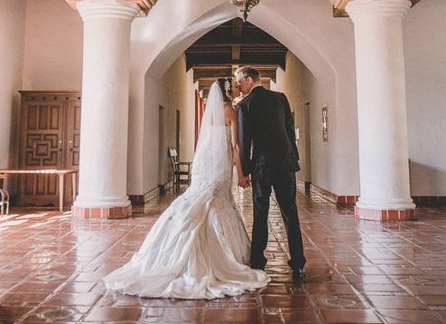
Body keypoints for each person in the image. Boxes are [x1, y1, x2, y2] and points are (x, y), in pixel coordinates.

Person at [103, 78, 269, 299]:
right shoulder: (230, 110)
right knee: (217, 202)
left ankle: (175, 246)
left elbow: (209, 142)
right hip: (220, 165)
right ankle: (219, 256)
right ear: (229, 92)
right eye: (236, 86)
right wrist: (241, 174)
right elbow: (236, 146)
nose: (239, 87)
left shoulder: (211, 113)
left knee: (201, 199)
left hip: (206, 163)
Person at [235, 66, 306, 283]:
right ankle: (299, 266)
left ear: (249, 80)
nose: (237, 84)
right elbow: (288, 127)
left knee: (261, 213)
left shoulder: (244, 105)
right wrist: (294, 158)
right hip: (285, 163)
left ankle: (258, 262)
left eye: (239, 81)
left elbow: (245, 141)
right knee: (290, 213)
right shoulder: (280, 98)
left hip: (262, 166)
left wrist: (245, 171)